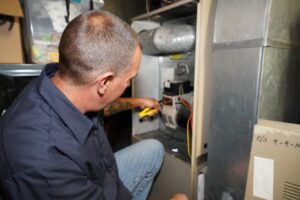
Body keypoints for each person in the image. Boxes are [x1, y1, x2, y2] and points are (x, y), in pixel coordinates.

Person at [0, 11, 188, 200]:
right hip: (83, 186)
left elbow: (102, 107)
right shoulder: (45, 164)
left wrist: (138, 102)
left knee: (153, 150)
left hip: (100, 175)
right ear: (104, 83)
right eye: (130, 78)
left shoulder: (60, 85)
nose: (129, 85)